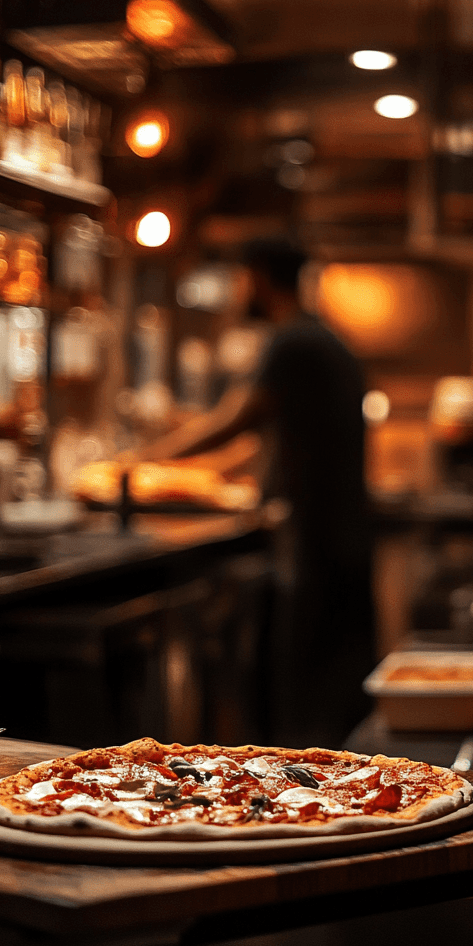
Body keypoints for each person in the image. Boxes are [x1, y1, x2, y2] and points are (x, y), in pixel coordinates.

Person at [141, 239, 374, 748]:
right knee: (331, 687)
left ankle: (307, 799)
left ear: (260, 277)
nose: (237, 291)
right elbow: (265, 440)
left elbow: (236, 420)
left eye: (241, 278)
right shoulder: (324, 339)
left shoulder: (291, 342)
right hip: (341, 535)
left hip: (316, 538)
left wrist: (147, 459)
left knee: (309, 691)